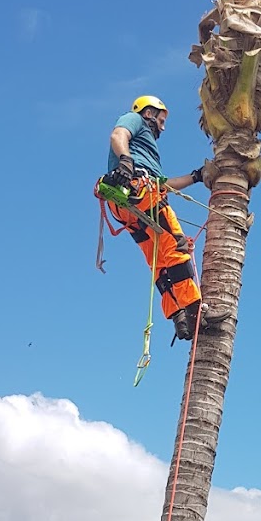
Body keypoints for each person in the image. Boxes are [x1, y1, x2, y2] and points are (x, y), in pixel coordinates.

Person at [98, 95, 225, 341]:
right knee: (177, 248)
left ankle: (178, 316)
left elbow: (166, 185)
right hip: (139, 191)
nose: (163, 128)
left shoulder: (147, 154)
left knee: (159, 261)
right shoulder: (134, 120)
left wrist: (196, 176)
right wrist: (125, 161)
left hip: (127, 206)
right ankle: (195, 311)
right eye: (161, 120)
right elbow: (118, 135)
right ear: (148, 113)